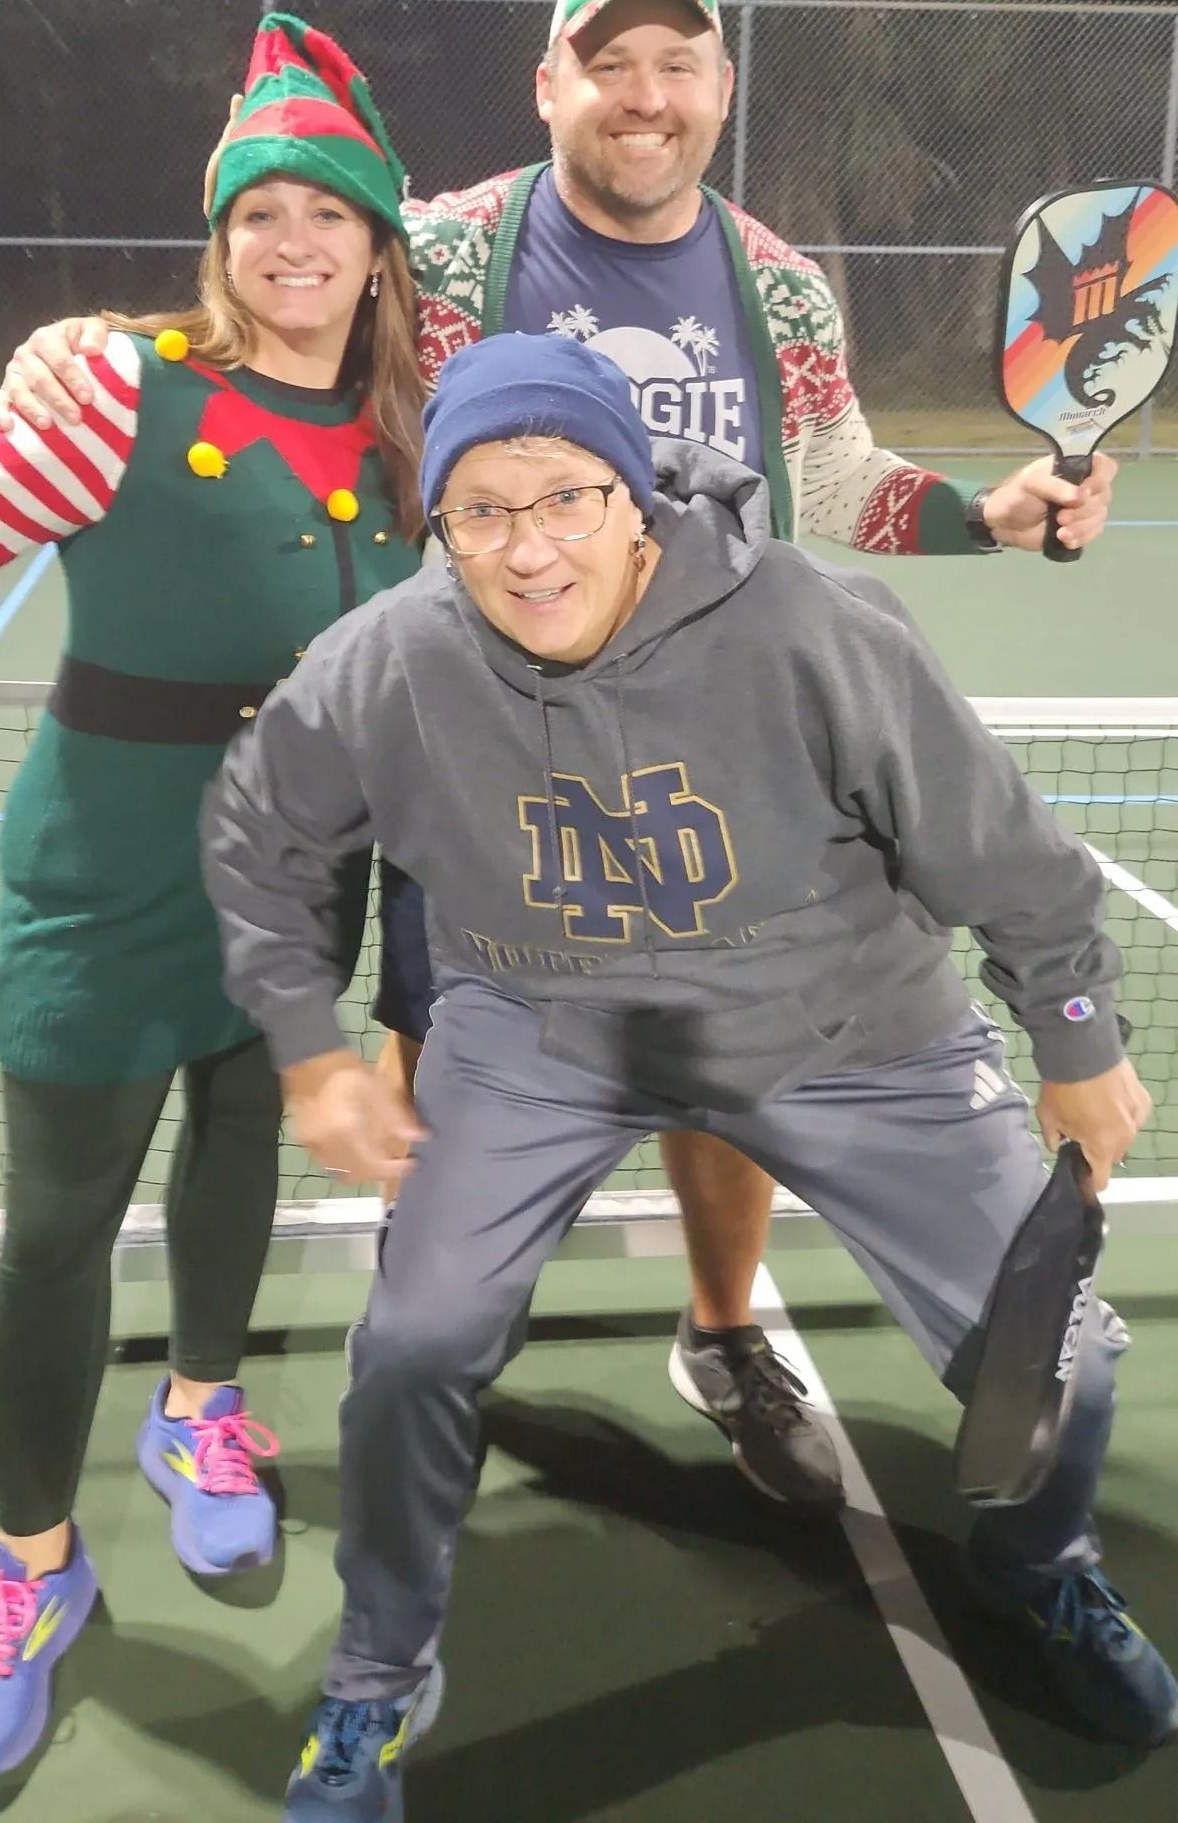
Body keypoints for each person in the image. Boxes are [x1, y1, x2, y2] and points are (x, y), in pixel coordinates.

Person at [0, 0, 1118, 1513]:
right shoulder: (442, 251)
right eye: (610, 62)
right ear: (550, 83)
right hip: (476, 761)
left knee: (723, 1074)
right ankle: (438, 1353)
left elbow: (842, 481)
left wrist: (980, 520)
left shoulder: (777, 284)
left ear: (721, 85)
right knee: (444, 1057)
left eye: (676, 64)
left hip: (723, 770)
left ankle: (721, 1335)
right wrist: (100, 351)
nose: (643, 96)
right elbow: (286, 307)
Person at [204, 332, 1172, 1818]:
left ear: (636, 501)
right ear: (437, 525)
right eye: (481, 511)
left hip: (845, 1023)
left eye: (566, 498)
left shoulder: (810, 625)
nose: (528, 550)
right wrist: (309, 1045)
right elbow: (260, 846)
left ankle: (1041, 1570)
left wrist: (1079, 1036)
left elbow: (1001, 846)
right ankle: (379, 1681)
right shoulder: (389, 660)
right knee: (409, 1351)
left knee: (1071, 1360)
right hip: (538, 1031)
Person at [0, 15, 427, 1780]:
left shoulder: (412, 414)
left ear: (375, 241)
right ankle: (30, 1566)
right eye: (259, 213)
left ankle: (203, 1411)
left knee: (243, 1131)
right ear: (222, 236)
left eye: (326, 215)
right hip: (108, 868)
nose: (293, 244)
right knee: (55, 1226)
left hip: (301, 865)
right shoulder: (120, 392)